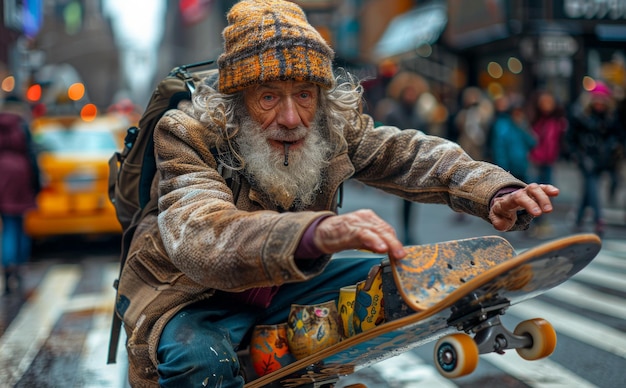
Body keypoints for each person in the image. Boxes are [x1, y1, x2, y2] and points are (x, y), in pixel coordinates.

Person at [115, 1, 560, 386]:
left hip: (283, 284)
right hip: (190, 297)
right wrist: (317, 232)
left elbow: (406, 153)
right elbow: (203, 234)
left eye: (304, 94)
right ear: (236, 102)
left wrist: (491, 189)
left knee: (401, 279)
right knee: (199, 361)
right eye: (269, 97)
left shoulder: (328, 127)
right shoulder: (185, 132)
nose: (291, 117)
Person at [374, 71, 428, 245]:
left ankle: (408, 231)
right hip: (401, 160)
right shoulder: (393, 113)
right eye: (408, 92)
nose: (410, 95)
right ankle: (405, 232)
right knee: (405, 197)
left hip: (415, 159)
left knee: (411, 199)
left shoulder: (419, 113)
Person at [568, 81, 625, 236]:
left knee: (589, 190)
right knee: (592, 186)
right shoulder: (581, 115)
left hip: (604, 159)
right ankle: (598, 219)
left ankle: (578, 218)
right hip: (585, 158)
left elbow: (619, 135)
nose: (599, 104)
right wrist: (577, 156)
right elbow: (571, 138)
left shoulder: (611, 117)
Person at [0, 95, 40, 295]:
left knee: (6, 225)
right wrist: (37, 183)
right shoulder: (21, 125)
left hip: (1, 176)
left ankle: (7, 269)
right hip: (20, 176)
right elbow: (32, 155)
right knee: (18, 225)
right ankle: (19, 267)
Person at [527, 90, 568, 237]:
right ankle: (532, 223)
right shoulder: (535, 120)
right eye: (543, 102)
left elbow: (559, 140)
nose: (546, 105)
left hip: (549, 160)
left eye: (549, 102)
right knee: (534, 192)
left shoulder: (557, 121)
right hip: (536, 160)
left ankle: (541, 222)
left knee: (547, 193)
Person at [490, 94, 536, 183]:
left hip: (522, 168)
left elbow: (532, 142)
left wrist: (524, 127)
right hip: (508, 169)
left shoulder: (522, 127)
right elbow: (499, 148)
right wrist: (502, 168)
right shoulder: (503, 126)